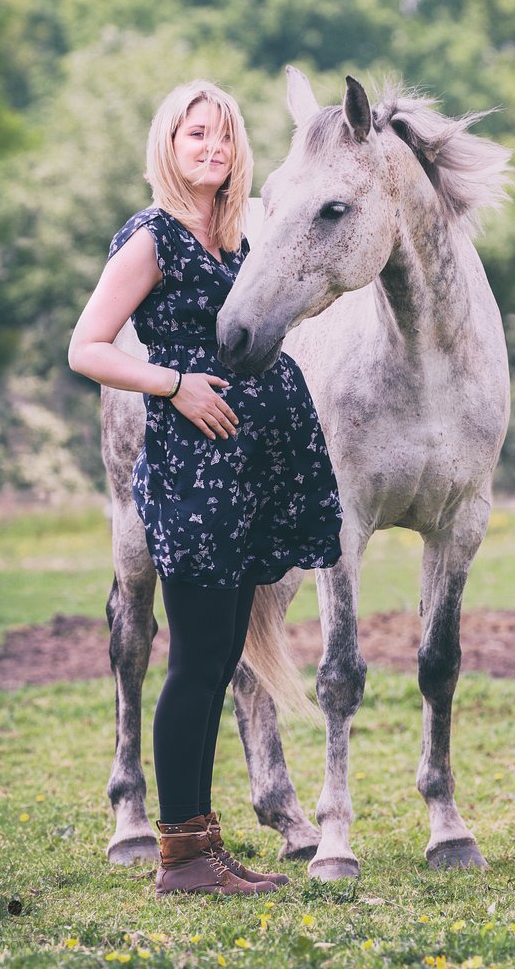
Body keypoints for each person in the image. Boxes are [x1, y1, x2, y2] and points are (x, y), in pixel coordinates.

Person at [68, 80, 343, 898]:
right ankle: (183, 858)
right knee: (193, 662)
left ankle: (205, 845)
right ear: (170, 145)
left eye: (223, 139)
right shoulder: (153, 237)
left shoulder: (233, 240)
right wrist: (174, 381)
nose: (213, 151)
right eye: (197, 137)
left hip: (248, 471)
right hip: (194, 471)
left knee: (224, 655)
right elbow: (89, 345)